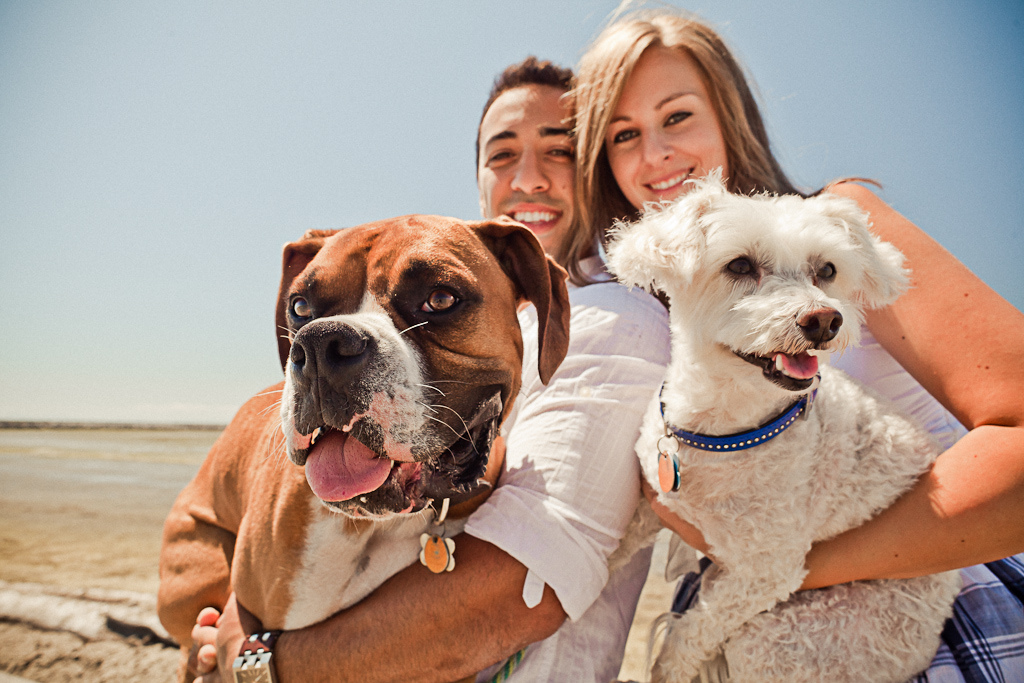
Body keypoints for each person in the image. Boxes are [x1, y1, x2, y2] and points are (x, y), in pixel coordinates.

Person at [571, 9, 1024, 680]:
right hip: (747, 626)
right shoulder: (637, 306)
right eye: (624, 135)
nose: (655, 155)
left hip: (934, 606)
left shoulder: (842, 223)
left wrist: (782, 565)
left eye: (677, 117)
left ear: (730, 116)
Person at [190, 56, 671, 683]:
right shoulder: (492, 290)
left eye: (438, 302)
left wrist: (254, 663)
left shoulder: (614, 318)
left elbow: (500, 599)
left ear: (601, 168)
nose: (527, 177)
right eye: (501, 155)